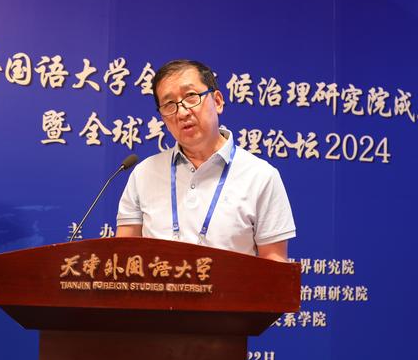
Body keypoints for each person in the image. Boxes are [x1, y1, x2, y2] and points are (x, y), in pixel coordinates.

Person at [116, 59, 295, 262]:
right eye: (169, 104)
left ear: (217, 101)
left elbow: (274, 263)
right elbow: (123, 259)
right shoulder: (144, 174)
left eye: (191, 96)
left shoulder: (261, 176)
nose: (182, 112)